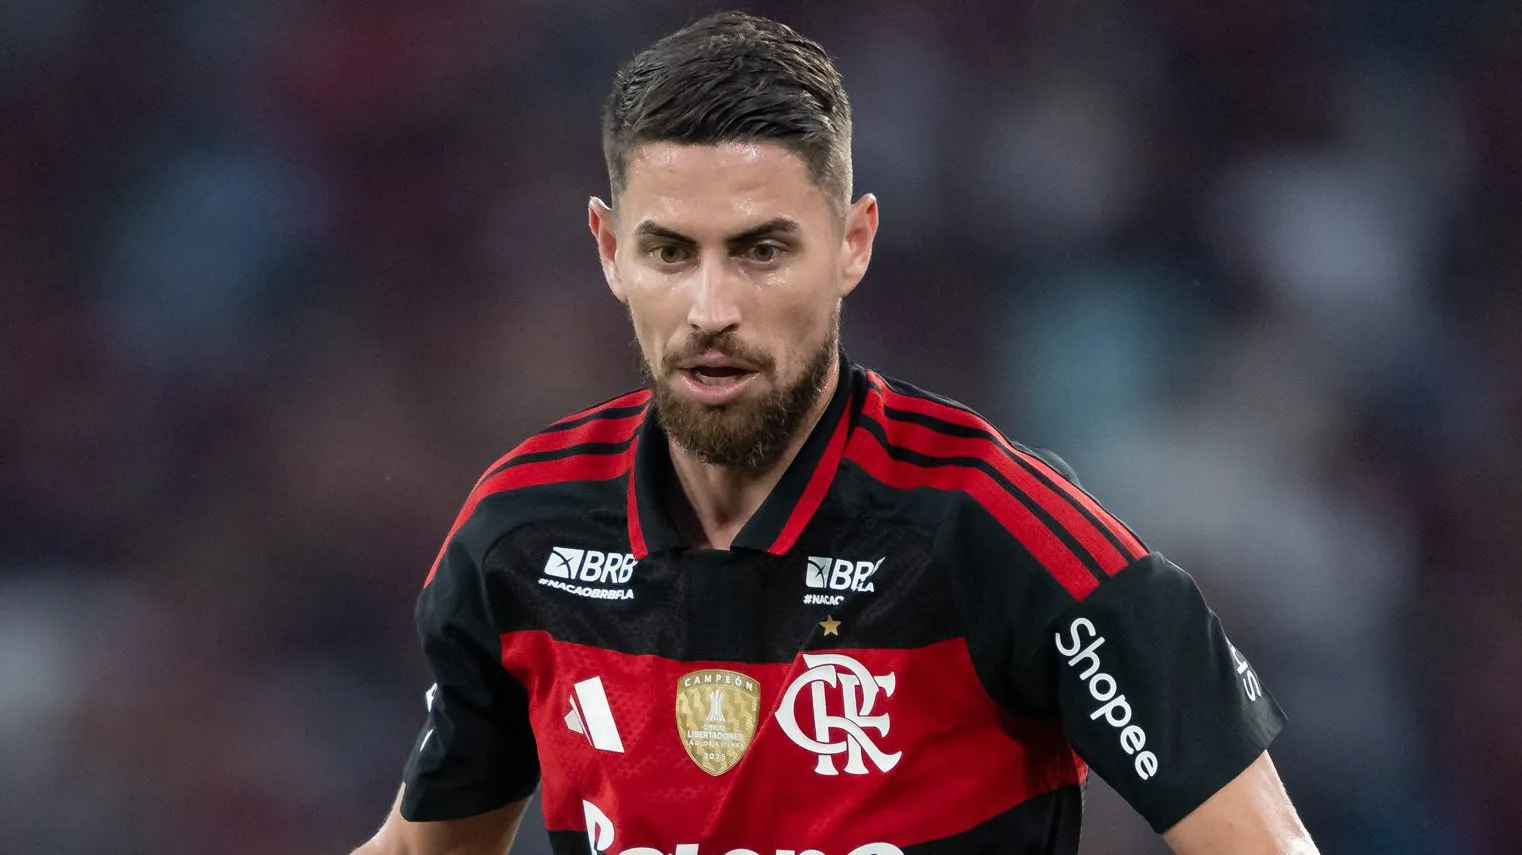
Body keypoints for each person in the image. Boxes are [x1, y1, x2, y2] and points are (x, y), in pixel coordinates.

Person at [352, 11, 1318, 855]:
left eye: (762, 250)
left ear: (853, 243)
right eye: (670, 252)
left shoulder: (1001, 531)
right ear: (610, 250)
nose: (711, 308)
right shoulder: (522, 531)